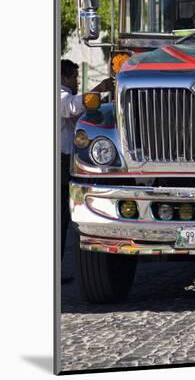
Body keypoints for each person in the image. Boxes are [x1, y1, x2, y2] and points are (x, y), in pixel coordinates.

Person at [60, 59, 112, 282]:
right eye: (74, 77)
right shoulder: (59, 93)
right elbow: (71, 106)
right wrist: (100, 89)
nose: (77, 81)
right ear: (63, 77)